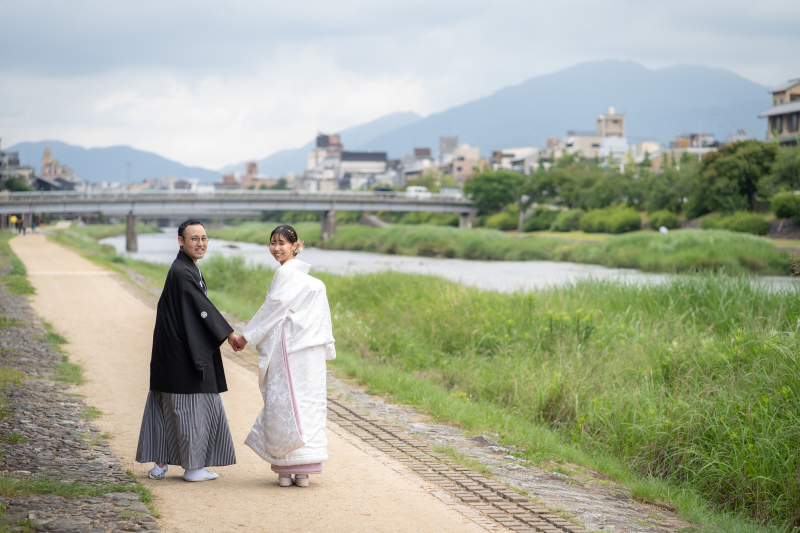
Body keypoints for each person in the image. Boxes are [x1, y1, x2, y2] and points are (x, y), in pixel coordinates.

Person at [135, 219, 239, 482]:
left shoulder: (184, 267)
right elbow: (201, 308)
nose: (200, 243)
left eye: (204, 238)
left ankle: (160, 464)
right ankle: (193, 468)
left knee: (167, 409)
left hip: (171, 352)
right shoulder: (183, 271)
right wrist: (229, 334)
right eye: (194, 238)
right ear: (181, 241)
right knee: (192, 409)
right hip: (182, 353)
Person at [234, 224, 335, 488]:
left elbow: (273, 307)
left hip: (289, 349)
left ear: (295, 246)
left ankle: (286, 470)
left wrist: (246, 337)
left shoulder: (287, 275)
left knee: (285, 401)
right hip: (310, 353)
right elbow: (323, 320)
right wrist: (326, 349)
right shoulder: (314, 283)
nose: (276, 248)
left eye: (282, 243)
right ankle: (304, 469)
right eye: (273, 243)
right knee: (307, 402)